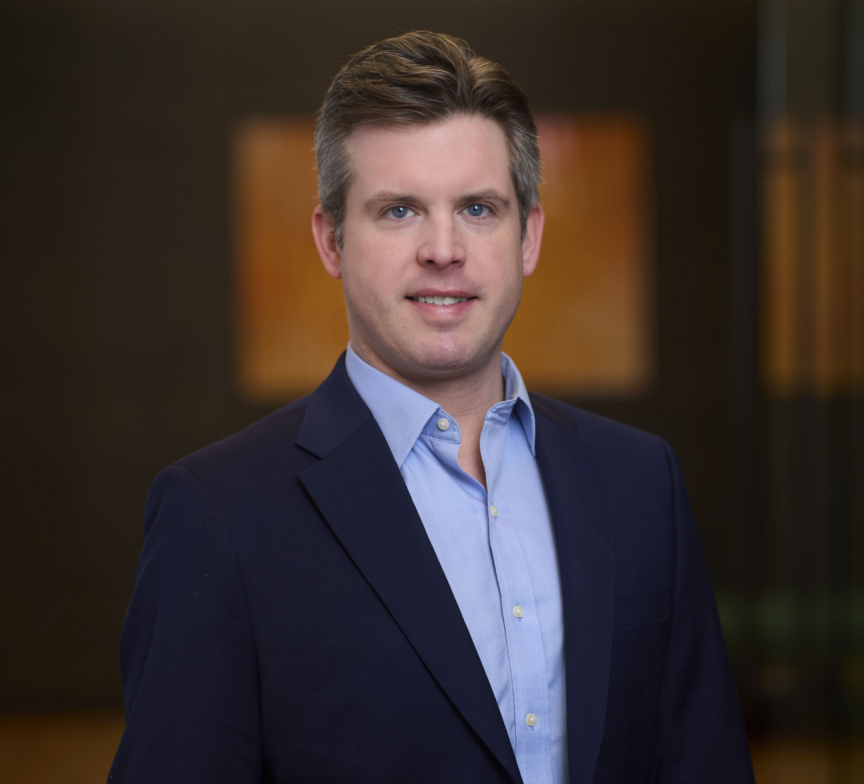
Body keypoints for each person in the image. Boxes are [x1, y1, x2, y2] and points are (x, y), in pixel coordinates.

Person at [109, 31, 755, 784]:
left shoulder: (642, 482)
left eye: (479, 209)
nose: (444, 249)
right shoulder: (217, 516)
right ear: (332, 240)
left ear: (529, 237)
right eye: (400, 212)